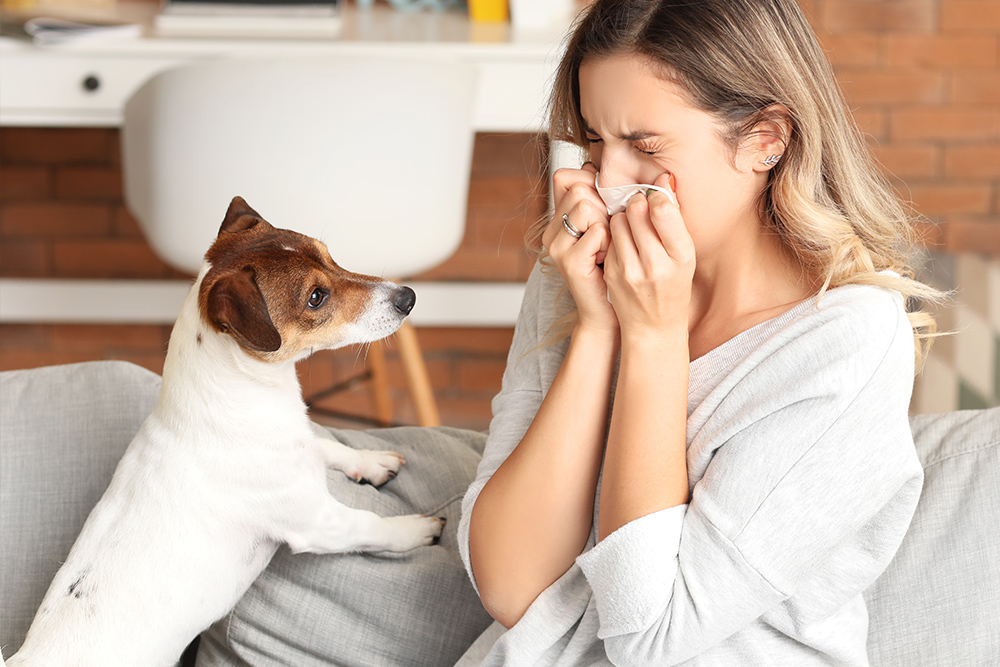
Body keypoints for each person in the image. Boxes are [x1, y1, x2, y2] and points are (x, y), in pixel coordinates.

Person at [455, 0, 942, 664]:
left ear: (765, 140)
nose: (607, 180)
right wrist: (601, 328)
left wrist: (654, 341)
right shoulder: (576, 273)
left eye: (645, 146)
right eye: (595, 140)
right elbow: (511, 586)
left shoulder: (844, 344)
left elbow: (649, 639)